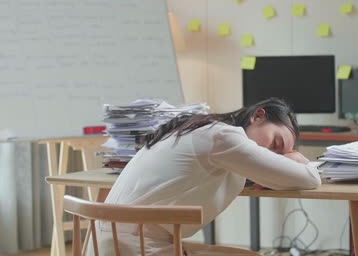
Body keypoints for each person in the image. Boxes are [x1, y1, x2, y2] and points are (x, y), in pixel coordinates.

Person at [91, 97, 321, 256]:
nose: (272, 156)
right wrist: (298, 159)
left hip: (108, 244)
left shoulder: (202, 129)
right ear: (258, 116)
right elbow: (310, 178)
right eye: (275, 144)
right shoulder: (223, 137)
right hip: (137, 248)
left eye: (280, 154)